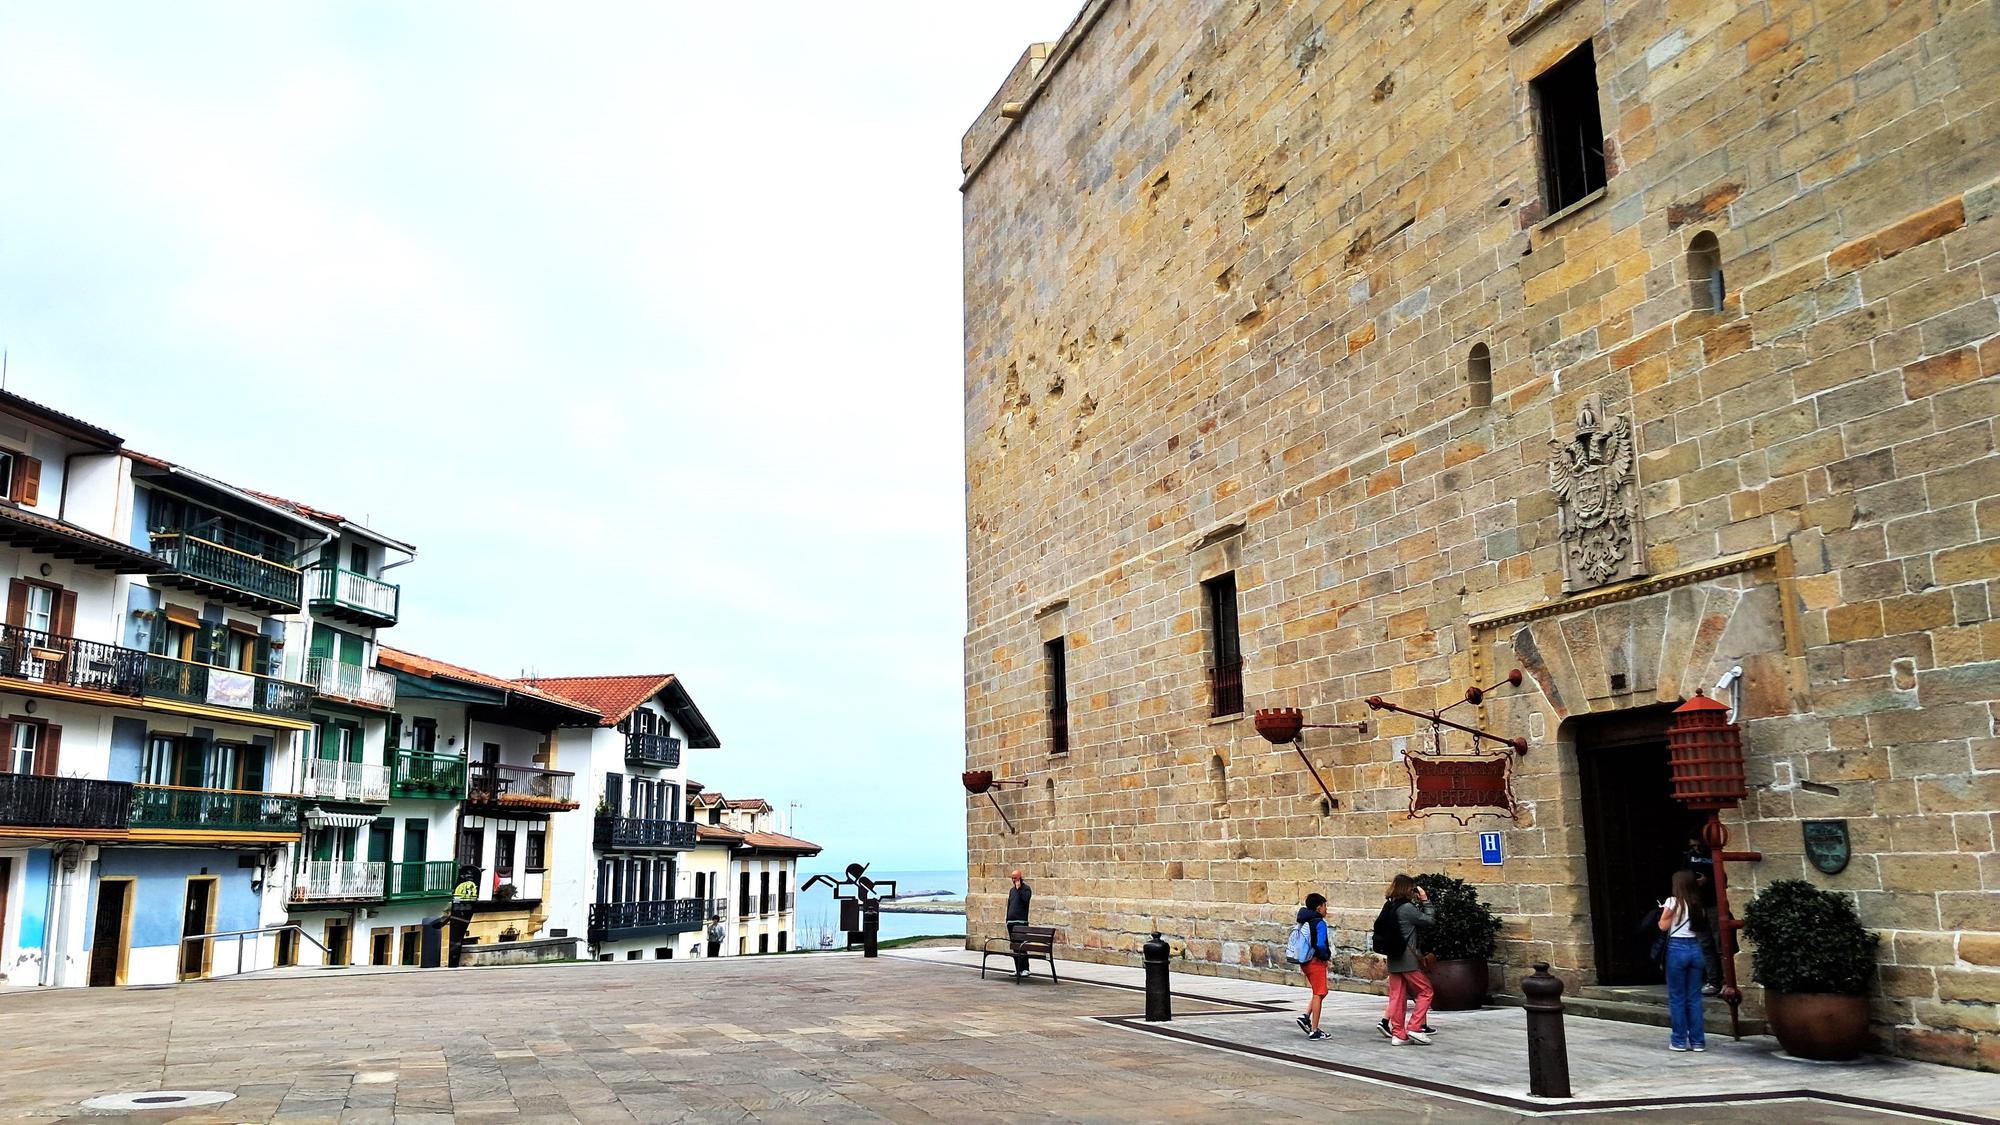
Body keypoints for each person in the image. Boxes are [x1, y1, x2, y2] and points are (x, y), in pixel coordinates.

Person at [1381, 874, 1436, 1046]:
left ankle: (1398, 1034)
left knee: (1397, 996)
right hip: (1408, 958)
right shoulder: (1407, 908)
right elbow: (1429, 920)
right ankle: (1415, 1027)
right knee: (1426, 991)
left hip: (1393, 957)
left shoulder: (1388, 906)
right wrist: (1425, 900)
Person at [1658, 869, 1709, 1052]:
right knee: (1694, 998)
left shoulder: (1673, 902)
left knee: (1677, 998)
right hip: (1695, 948)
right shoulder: (1697, 904)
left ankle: (1679, 1040)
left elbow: (1663, 926)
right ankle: (1698, 1041)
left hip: (1677, 948)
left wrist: (1663, 911)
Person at [1682, 836, 1722, 995]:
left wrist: (1708, 881)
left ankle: (1727, 980)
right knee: (1704, 944)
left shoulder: (1713, 855)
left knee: (1720, 943)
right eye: (1693, 846)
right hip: (1697, 905)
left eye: (1699, 846)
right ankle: (1713, 981)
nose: (1696, 849)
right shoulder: (1688, 857)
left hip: (1714, 903)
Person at [1292, 893, 1332, 1041]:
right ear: (1318, 907)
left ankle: (1306, 1016)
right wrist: (1325, 955)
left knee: (1321, 992)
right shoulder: (1319, 923)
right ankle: (1314, 1029)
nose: (1326, 909)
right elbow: (1320, 943)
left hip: (1305, 961)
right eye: (1324, 906)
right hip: (1316, 961)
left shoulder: (1305, 920)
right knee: (1318, 992)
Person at [1005, 870, 1033, 979]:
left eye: (1015, 878)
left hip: (1021, 922)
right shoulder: (1012, 891)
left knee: (1022, 946)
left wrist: (1019, 889)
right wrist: (1007, 919)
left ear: (1020, 878)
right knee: (1015, 947)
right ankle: (1018, 969)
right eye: (1012, 878)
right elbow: (1009, 904)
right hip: (1011, 923)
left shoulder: (1026, 889)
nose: (1013, 880)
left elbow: (1026, 900)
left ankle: (1025, 969)